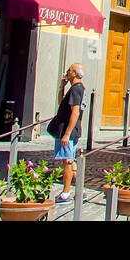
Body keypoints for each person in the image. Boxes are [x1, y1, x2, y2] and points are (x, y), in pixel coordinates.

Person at [51, 63, 86, 203]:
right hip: (69, 130)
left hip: (68, 130)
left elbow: (75, 112)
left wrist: (67, 133)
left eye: (69, 70)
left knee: (67, 161)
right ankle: (81, 189)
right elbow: (61, 103)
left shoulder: (76, 89)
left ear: (75, 73)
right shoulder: (74, 89)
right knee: (71, 160)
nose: (67, 72)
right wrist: (61, 87)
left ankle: (65, 192)